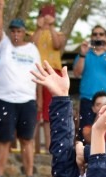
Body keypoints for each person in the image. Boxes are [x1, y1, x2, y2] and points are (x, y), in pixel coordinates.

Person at [0, 0, 42, 177]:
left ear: (24, 33)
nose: (15, 34)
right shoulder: (4, 45)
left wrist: (38, 98)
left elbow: (38, 75)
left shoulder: (32, 49)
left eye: (19, 31)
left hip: (27, 99)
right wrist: (0, 8)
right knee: (4, 139)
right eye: (12, 30)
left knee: (27, 140)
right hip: (5, 98)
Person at [73, 25, 106, 126]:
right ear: (91, 37)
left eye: (101, 34)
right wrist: (83, 54)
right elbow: (76, 74)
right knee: (86, 133)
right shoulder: (84, 54)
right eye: (95, 34)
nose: (98, 37)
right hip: (88, 99)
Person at [32, 4, 66, 151]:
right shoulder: (32, 33)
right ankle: (32, 149)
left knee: (48, 114)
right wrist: (40, 28)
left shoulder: (59, 33)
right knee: (34, 113)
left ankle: (49, 150)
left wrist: (51, 27)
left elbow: (58, 45)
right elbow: (32, 45)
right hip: (35, 72)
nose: (46, 18)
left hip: (53, 72)